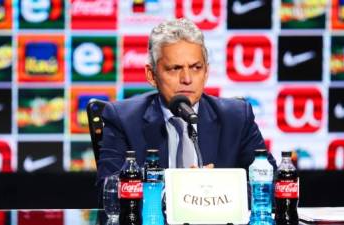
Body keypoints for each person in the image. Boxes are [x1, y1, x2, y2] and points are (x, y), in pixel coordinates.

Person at [97, 18, 276, 186]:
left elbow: (271, 183)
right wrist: (176, 187)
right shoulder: (123, 119)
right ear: (151, 75)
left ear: (206, 73)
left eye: (196, 68)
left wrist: (218, 188)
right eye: (175, 69)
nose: (187, 79)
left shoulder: (236, 118)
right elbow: (109, 187)